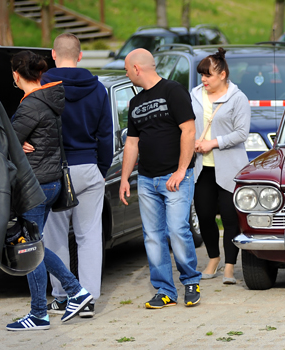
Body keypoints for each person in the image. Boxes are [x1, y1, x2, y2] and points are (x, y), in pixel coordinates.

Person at [6, 50, 93, 331]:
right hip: (51, 181)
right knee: (33, 244)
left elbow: (5, 141)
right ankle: (48, 308)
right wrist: (16, 142)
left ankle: (63, 298)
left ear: (17, 75)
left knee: (30, 246)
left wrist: (13, 143)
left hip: (36, 185)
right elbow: (16, 138)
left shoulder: (31, 105)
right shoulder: (47, 99)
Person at [119, 48, 202, 309]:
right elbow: (132, 143)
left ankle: (190, 281)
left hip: (175, 177)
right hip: (146, 180)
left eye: (126, 69)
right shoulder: (135, 103)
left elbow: (188, 130)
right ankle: (165, 290)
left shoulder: (173, 91)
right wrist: (124, 179)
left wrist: (181, 170)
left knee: (177, 230)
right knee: (153, 236)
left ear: (136, 68)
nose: (126, 73)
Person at [41, 33, 112, 318]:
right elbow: (105, 135)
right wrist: (101, 169)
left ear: (53, 55)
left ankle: (62, 297)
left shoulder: (43, 86)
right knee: (90, 236)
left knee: (55, 235)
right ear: (80, 55)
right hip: (88, 168)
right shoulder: (98, 88)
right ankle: (89, 300)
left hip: (54, 169)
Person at [191, 48, 251, 284]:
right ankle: (213, 259)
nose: (204, 80)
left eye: (208, 75)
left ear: (223, 75)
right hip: (201, 168)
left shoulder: (238, 98)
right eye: (202, 76)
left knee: (229, 217)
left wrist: (213, 143)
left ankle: (229, 265)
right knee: (205, 216)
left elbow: (241, 133)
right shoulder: (194, 95)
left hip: (229, 167)